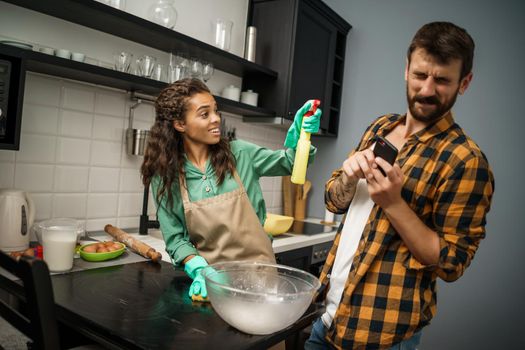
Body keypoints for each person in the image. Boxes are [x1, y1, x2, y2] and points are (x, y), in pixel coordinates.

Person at [305, 22, 494, 349]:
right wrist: (349, 177)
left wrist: (394, 203)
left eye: (443, 80)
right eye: (421, 75)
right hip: (326, 318)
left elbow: (451, 262)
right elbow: (333, 200)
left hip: (381, 336)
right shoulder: (380, 127)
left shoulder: (466, 161)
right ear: (406, 70)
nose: (427, 90)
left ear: (465, 83)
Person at [141, 78, 321, 300]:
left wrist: (301, 139)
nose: (216, 119)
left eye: (215, 111)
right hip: (212, 286)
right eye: (204, 114)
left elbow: (290, 163)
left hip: (261, 279)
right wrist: (198, 268)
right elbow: (175, 238)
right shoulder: (165, 176)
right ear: (180, 124)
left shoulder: (239, 154)